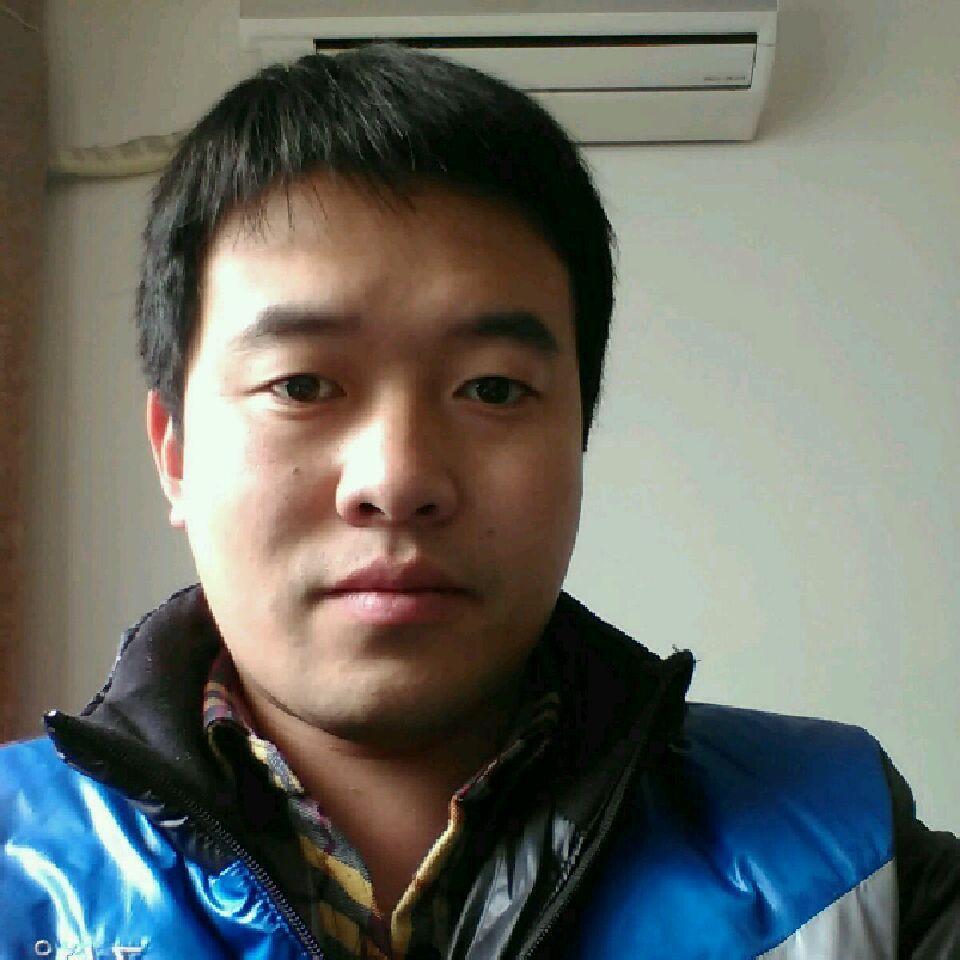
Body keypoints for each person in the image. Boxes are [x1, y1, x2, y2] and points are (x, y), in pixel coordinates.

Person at [1, 44, 958, 960]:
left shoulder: (851, 866)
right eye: (301, 385)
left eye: (492, 388)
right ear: (173, 452)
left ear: (578, 435)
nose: (397, 480)